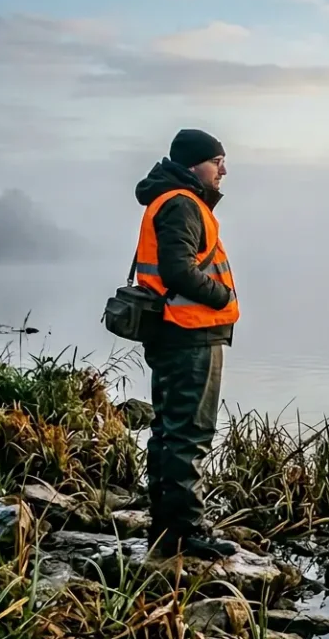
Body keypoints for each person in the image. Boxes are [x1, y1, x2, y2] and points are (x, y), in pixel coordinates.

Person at [131, 128, 240, 559]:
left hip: (174, 331)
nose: (224, 170)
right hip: (190, 332)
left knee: (168, 431)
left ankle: (165, 527)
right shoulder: (182, 203)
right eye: (217, 161)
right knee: (189, 435)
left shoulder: (170, 199)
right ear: (195, 164)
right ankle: (184, 532)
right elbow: (178, 270)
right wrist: (222, 296)